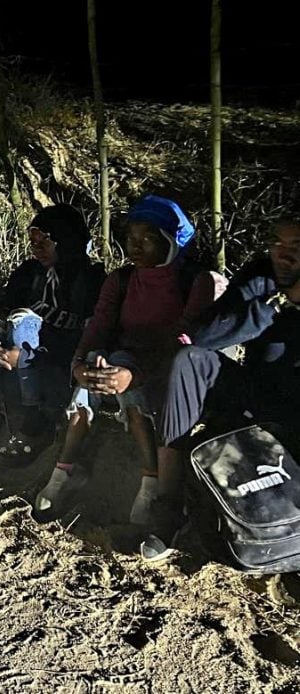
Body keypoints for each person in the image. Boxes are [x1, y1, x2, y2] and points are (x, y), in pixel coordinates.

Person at [33, 195, 217, 527]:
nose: (135, 246)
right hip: (123, 363)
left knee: (124, 371)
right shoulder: (121, 279)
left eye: (148, 238)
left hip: (171, 370)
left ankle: (151, 479)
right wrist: (79, 365)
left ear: (172, 239)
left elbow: (186, 336)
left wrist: (135, 373)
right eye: (131, 237)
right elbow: (99, 325)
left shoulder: (196, 281)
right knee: (99, 364)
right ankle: (64, 470)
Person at [148, 218, 300, 557]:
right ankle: (168, 507)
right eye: (278, 243)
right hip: (255, 395)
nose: (283, 254)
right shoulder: (262, 276)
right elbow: (205, 335)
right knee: (189, 360)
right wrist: (275, 304)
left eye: (296, 246)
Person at [0, 204, 105, 464]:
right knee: (5, 330)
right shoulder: (28, 274)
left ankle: (37, 425)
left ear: (66, 242)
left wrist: (26, 357)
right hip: (19, 363)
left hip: (57, 366)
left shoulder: (91, 281)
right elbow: (1, 316)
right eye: (33, 243)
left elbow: (87, 340)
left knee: (24, 322)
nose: (37, 250)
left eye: (45, 243)